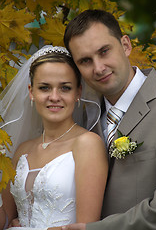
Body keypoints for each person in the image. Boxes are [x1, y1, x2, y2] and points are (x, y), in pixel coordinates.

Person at [61, 9, 156, 230]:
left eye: (104, 51)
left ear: (125, 45)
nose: (98, 68)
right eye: (85, 61)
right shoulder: (83, 115)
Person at [0, 45, 108, 229]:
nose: (54, 97)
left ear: (78, 93)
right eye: (44, 88)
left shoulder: (87, 144)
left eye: (65, 88)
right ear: (31, 92)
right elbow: (5, 219)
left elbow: (87, 226)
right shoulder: (22, 150)